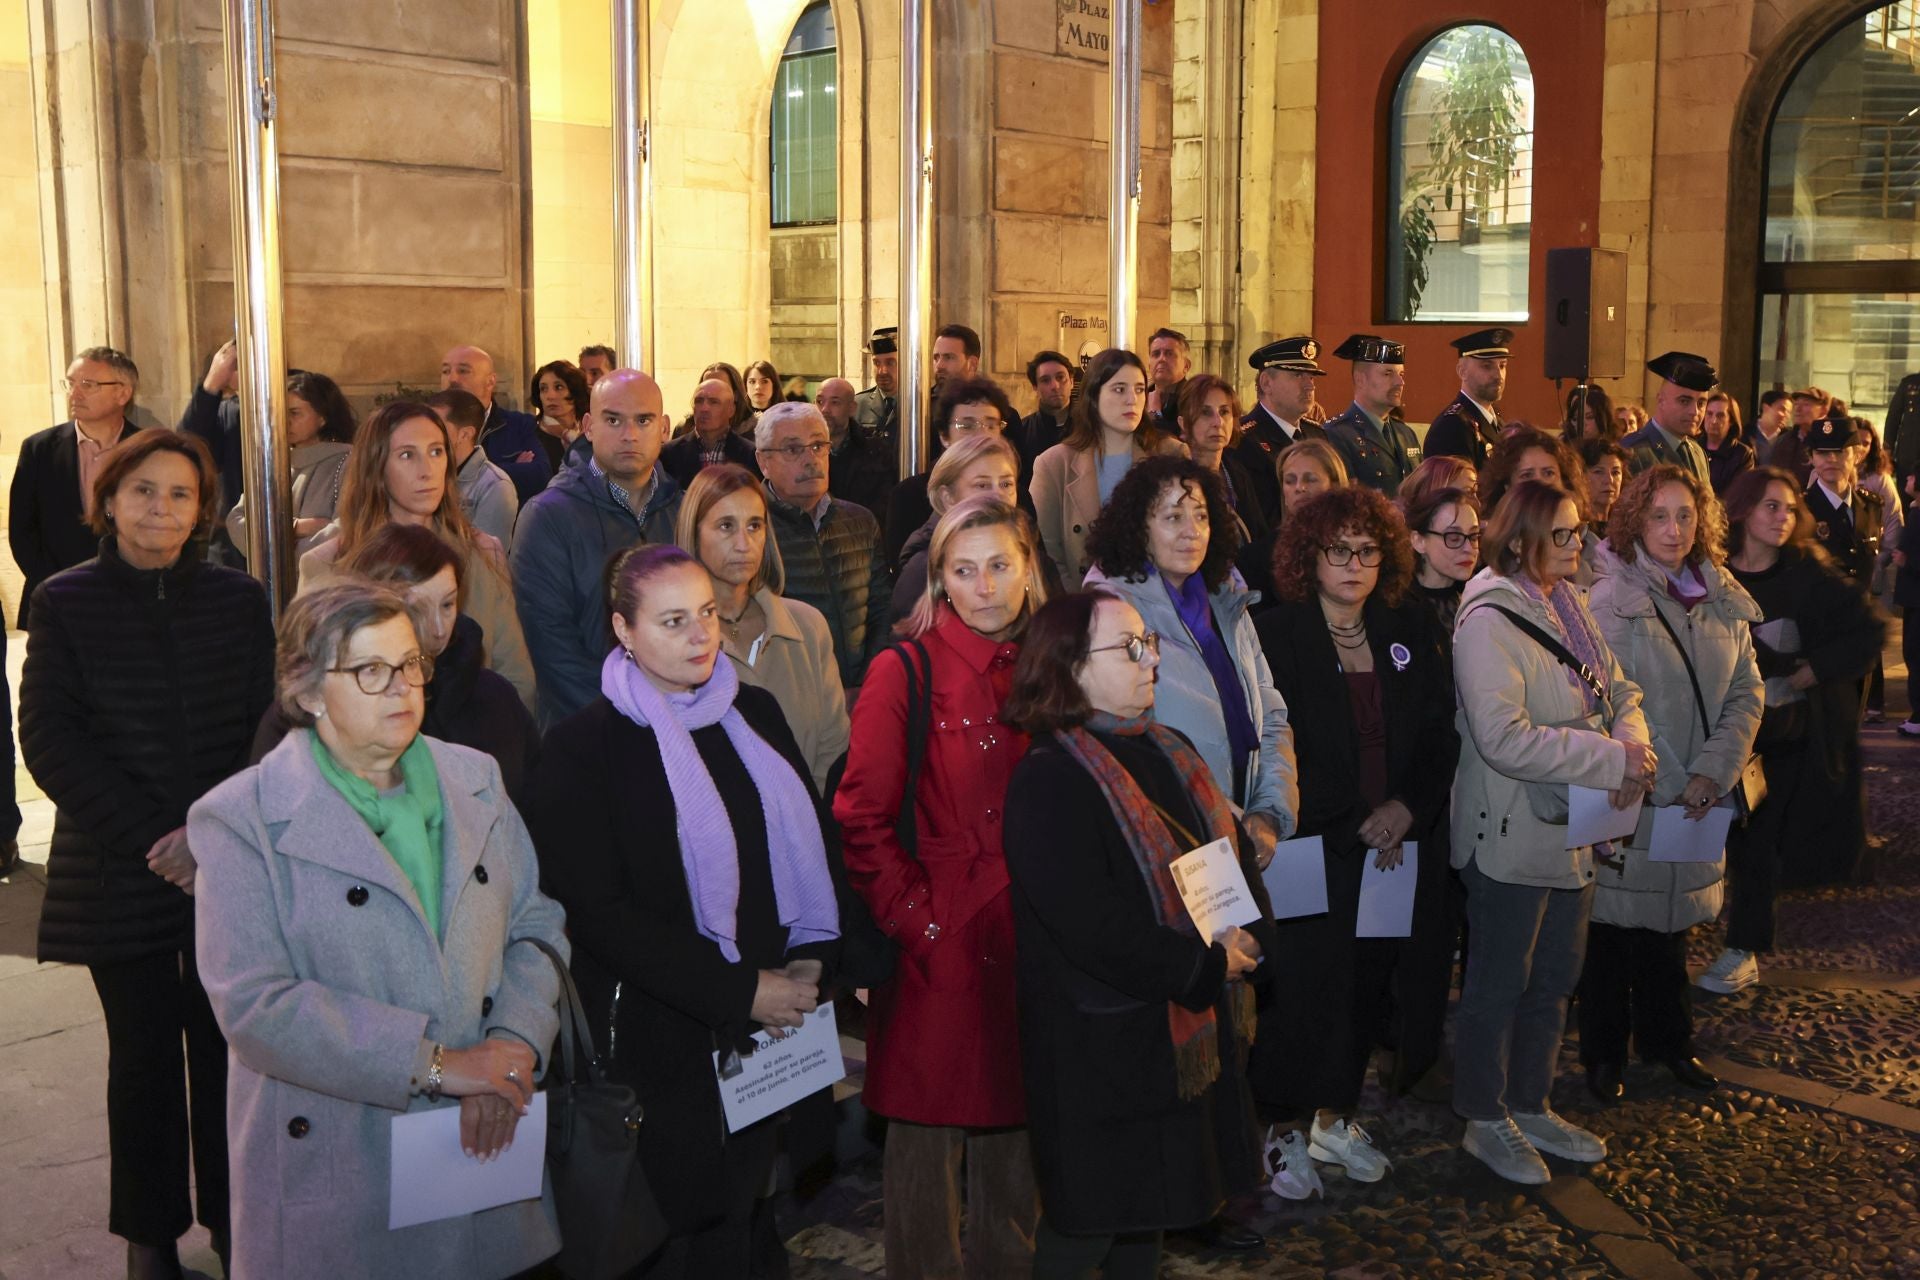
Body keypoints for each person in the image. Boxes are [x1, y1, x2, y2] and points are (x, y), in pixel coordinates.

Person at [189, 582, 568, 1279]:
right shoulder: (242, 818)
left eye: (411, 663)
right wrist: (438, 1066)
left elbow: (537, 923)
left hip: (483, 1144)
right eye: (370, 671)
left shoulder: (474, 779)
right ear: (305, 690)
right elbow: (256, 1007)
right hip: (345, 1164)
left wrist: (508, 1049)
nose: (401, 688)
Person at [528, 545, 843, 1277]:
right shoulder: (585, 750)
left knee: (750, 1220)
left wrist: (811, 961)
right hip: (660, 1039)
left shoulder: (753, 712)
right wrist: (742, 992)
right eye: (673, 621)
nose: (701, 635)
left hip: (771, 1027)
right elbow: (601, 915)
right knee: (677, 1239)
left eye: (706, 613)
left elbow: (812, 849)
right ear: (623, 630)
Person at [21, 428, 274, 1280]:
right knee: (141, 1062)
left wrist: (210, 835)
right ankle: (149, 1235)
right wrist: (153, 838)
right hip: (117, 868)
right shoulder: (63, 599)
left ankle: (238, 1222)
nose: (160, 509)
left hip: (226, 864)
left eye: (180, 494)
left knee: (227, 1051)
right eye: (143, 491)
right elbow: (49, 740)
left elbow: (264, 730)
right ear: (110, 499)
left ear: (203, 509)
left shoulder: (239, 600)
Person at [1001, 591, 1274, 1277]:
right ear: (1068, 667)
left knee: (1146, 1218)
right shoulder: (1050, 777)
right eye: (1129, 648)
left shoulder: (1166, 746)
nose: (1151, 658)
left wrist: (1244, 931)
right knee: (1092, 1224)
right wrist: (1203, 967)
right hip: (1100, 1048)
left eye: (1147, 641)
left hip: (1171, 1028)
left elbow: (1226, 857)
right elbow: (1091, 925)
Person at [833, 496, 1048, 1280]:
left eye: (1000, 566)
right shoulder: (906, 669)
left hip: (1031, 937)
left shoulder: (1048, 667)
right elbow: (860, 816)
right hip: (939, 945)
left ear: (1028, 569)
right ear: (940, 580)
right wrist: (918, 923)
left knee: (1019, 1144)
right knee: (924, 1154)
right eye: (964, 570)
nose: (984, 586)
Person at [1249, 486, 1456, 1196]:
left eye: (1368, 551)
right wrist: (1353, 819)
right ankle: (1282, 1130)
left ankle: (1335, 1117)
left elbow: (1437, 734)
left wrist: (1406, 810)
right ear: (1310, 556)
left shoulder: (1409, 625)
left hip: (1394, 843)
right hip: (1312, 844)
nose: (1354, 565)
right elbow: (1281, 744)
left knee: (1368, 984)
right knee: (1303, 988)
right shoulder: (1275, 634)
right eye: (1339, 551)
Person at [1450, 480, 1654, 1184]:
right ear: (1519, 539)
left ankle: (1530, 1102)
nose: (1578, 545)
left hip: (1575, 826)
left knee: (1555, 980)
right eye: (1563, 535)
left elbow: (1619, 689)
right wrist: (1611, 758)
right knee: (1499, 982)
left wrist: (1631, 739)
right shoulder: (1488, 618)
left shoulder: (1569, 606)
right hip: (1511, 830)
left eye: (1579, 532)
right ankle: (1483, 1114)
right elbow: (1503, 737)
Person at [1580, 465, 1763, 1102]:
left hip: (1699, 793)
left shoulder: (1721, 592)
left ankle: (1668, 1041)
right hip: (1637, 791)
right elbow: (1612, 699)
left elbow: (1747, 690)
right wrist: (1680, 779)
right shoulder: (1610, 600)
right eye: (1659, 515)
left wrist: (1716, 771)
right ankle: (1603, 1055)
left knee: (1672, 924)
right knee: (1612, 927)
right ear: (1634, 519)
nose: (1673, 529)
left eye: (1685, 515)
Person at [1083, 456, 1298, 864]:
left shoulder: (1228, 599)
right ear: (1137, 527)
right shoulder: (1112, 613)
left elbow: (1270, 712)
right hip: (1168, 838)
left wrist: (1269, 811)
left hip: (1245, 828)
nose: (1191, 532)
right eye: (1172, 517)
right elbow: (1127, 745)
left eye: (1201, 515)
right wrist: (1219, 816)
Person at [253, 524, 541, 806]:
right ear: (368, 604)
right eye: (416, 608)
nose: (439, 628)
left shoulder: (495, 699)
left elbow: (532, 809)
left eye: (448, 604)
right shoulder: (306, 713)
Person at [1712, 469, 1882, 930]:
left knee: (1761, 841)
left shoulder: (1809, 570)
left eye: (1790, 508)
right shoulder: (1712, 570)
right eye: (1772, 506)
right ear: (1744, 509)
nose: (1783, 517)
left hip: (1782, 732)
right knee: (1708, 836)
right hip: (1715, 731)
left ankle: (1745, 944)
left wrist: (1817, 669)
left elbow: (1868, 629)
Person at [298, 401, 537, 713]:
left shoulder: (481, 552)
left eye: (437, 452)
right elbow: (310, 686)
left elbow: (517, 678)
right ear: (376, 466)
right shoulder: (329, 564)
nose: (427, 470)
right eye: (407, 455)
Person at [511, 368, 682, 726]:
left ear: (664, 429)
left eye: (644, 420)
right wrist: (640, 722)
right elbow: (553, 652)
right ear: (588, 426)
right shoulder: (547, 517)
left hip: (683, 726)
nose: (630, 435)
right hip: (589, 734)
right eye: (614, 420)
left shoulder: (686, 510)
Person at [677, 464, 849, 792]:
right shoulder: (676, 639)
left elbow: (833, 749)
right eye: (726, 526)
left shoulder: (808, 627)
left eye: (754, 525)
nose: (744, 543)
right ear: (694, 533)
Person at [758, 401, 892, 692]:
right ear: (763, 462)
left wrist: (871, 683)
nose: (811, 459)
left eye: (819, 445)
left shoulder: (860, 521)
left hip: (862, 692)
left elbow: (882, 609)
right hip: (791, 697)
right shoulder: (753, 528)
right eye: (793, 449)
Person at [11, 346, 143, 627]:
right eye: (71, 384)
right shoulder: (39, 449)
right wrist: (55, 587)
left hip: (134, 602)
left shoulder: (150, 449)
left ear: (122, 393)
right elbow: (22, 531)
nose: (75, 393)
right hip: (57, 601)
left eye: (88, 384)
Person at [1032, 347, 1185, 585]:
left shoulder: (1170, 454)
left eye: (1139, 389)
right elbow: (1049, 558)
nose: (1132, 399)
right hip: (1085, 605)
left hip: (1158, 603)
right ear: (1094, 396)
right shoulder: (1054, 465)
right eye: (1119, 389)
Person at [888, 432, 1039, 625]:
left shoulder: (1030, 551)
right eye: (982, 485)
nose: (998, 496)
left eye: (1006, 484)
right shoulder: (922, 569)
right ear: (948, 497)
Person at [883, 375, 1021, 569]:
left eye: (991, 425)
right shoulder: (908, 496)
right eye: (967, 426)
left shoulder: (1015, 495)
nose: (981, 434)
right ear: (944, 436)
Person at [226, 369, 357, 559]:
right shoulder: (273, 463)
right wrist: (294, 528)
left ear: (322, 418)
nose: (284, 421)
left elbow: (346, 531)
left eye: (294, 413)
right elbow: (237, 521)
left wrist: (284, 552)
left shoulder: (349, 464)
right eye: (280, 413)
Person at [1236, 438, 1350, 608]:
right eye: (1289, 481)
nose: (1299, 488)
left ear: (1334, 485)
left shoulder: (1359, 546)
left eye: (1310, 479)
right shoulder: (1256, 558)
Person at [1235, 336, 1330, 529]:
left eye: (1311, 377)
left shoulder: (1316, 434)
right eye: (1297, 375)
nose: (1310, 385)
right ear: (1266, 383)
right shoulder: (1244, 440)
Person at [439, 344, 552, 503]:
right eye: (446, 371)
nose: (452, 379)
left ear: (490, 381)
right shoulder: (429, 426)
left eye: (463, 371)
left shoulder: (519, 425)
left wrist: (458, 473)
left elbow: (540, 475)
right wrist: (506, 468)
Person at [1322, 335, 1419, 497]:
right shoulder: (1336, 435)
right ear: (1360, 379)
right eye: (1388, 374)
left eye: (1401, 374)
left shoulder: (1406, 434)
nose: (1399, 382)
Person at [426, 388, 521, 552]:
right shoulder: (427, 473)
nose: (426, 433)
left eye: (436, 426)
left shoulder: (495, 486)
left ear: (464, 434)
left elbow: (486, 561)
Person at [1179, 373, 1269, 545]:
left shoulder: (1237, 471)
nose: (1218, 422)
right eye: (1205, 413)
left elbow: (1257, 535)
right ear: (1183, 423)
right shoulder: (1175, 477)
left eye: (1224, 412)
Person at [1803, 415, 1884, 586]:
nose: (1831, 459)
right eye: (1822, 452)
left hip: (1861, 609)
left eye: (1840, 451)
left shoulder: (1872, 506)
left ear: (1857, 456)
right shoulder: (1801, 508)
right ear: (1811, 458)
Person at [1622, 352, 1716, 487]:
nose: (1695, 411)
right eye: (1684, 401)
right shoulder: (1632, 452)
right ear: (1661, 401)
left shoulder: (1697, 452)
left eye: (1701, 403)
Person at [1424, 328, 1513, 468]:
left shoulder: (1497, 422)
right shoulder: (1452, 427)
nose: (1498, 376)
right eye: (1487, 366)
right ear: (1462, 372)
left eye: (1502, 366)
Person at [1403, 483, 1483, 637]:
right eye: (1453, 538)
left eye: (1473, 537)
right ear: (1419, 541)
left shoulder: (1480, 597)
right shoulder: (1398, 607)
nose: (1468, 548)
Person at [820, 375, 897, 527]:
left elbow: (882, 506)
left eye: (835, 402)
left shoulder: (875, 451)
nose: (825, 409)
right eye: (819, 401)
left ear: (851, 408)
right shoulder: (804, 451)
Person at [661, 376, 761, 488]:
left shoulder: (751, 455)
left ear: (731, 410)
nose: (704, 408)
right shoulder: (668, 454)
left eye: (714, 402)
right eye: (699, 401)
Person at [1478, 426, 1581, 517]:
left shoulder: (1584, 536)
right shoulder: (1494, 537)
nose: (1540, 483)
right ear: (1507, 487)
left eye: (1549, 473)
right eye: (1527, 475)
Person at [1581, 437, 1634, 582]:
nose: (1609, 480)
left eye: (1616, 472)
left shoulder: (1628, 525)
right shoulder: (1576, 529)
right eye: (1599, 472)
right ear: (1581, 476)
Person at [1017, 349, 1076, 475]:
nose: (1055, 386)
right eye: (1045, 380)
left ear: (1071, 382)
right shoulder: (1021, 432)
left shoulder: (1092, 426)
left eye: (1060, 377)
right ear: (1035, 387)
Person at [531, 358, 591, 472]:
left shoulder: (589, 435)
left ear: (575, 391)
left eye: (559, 387)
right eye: (543, 389)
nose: (550, 396)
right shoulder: (531, 437)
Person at [1701, 391, 1755, 495]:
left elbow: (1738, 495)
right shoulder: (1693, 447)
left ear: (1731, 421)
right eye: (1709, 414)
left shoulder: (1742, 454)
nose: (1713, 421)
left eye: (1720, 415)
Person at [855, 326, 901, 446]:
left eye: (890, 362)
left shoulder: (919, 405)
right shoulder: (858, 405)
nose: (882, 371)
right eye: (876, 363)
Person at [1145, 327, 1192, 439]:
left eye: (1169, 354)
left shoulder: (1194, 399)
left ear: (1186, 366)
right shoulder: (1140, 397)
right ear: (1149, 365)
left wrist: (1156, 415)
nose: (1162, 359)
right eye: (1156, 354)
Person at [1750, 390, 1796, 470]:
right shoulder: (1744, 435)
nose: (1786, 415)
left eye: (1789, 412)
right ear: (1765, 408)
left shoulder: (1790, 438)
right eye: (1782, 409)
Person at [931, 322, 983, 387]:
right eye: (936, 358)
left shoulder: (987, 396)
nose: (939, 366)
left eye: (948, 357)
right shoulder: (923, 397)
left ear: (972, 364)